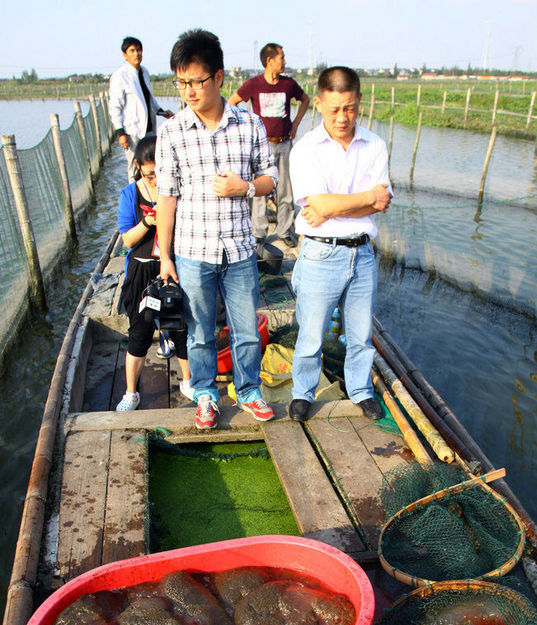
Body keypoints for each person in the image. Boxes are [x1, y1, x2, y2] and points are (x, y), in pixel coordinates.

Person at [155, 29, 278, 431]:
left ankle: (249, 391)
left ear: (219, 77)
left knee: (246, 330)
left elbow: (270, 178)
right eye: (182, 82)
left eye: (196, 81)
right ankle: (205, 393)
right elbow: (167, 198)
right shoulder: (172, 132)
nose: (189, 90)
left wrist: (244, 187)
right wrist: (166, 257)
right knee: (199, 331)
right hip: (193, 251)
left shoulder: (249, 124)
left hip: (240, 250)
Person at [288, 66, 392, 422]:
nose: (342, 117)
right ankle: (302, 392)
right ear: (317, 103)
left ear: (359, 101)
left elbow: (382, 202)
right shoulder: (306, 149)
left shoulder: (375, 144)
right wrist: (360, 200)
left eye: (349, 107)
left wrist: (332, 206)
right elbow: (323, 206)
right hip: (320, 252)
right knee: (312, 333)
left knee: (361, 333)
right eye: (333, 109)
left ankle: (361, 391)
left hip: (362, 253)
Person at [116, 136, 191, 412]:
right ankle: (131, 392)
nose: (156, 178)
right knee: (139, 331)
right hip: (142, 268)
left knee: (180, 326)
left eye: (161, 171)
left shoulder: (177, 189)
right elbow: (127, 239)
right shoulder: (129, 195)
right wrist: (150, 219)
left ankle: (188, 381)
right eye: (149, 173)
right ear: (138, 167)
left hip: (171, 264)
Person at [228, 43, 309, 248]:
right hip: (261, 146)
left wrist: (296, 123)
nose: (285, 61)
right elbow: (232, 102)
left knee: (286, 189)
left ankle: (284, 231)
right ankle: (259, 232)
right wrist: (245, 126)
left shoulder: (288, 84)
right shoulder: (253, 84)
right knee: (259, 189)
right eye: (282, 58)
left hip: (284, 143)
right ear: (269, 61)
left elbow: (305, 100)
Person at [109, 36, 174, 182]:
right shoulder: (120, 76)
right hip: (133, 130)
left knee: (153, 162)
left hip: (149, 128)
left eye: (138, 50)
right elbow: (115, 107)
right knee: (135, 166)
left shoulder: (144, 72)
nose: (136, 54)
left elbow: (148, 99)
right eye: (132, 51)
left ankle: (152, 196)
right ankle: (135, 199)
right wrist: (121, 133)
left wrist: (162, 112)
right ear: (125, 55)